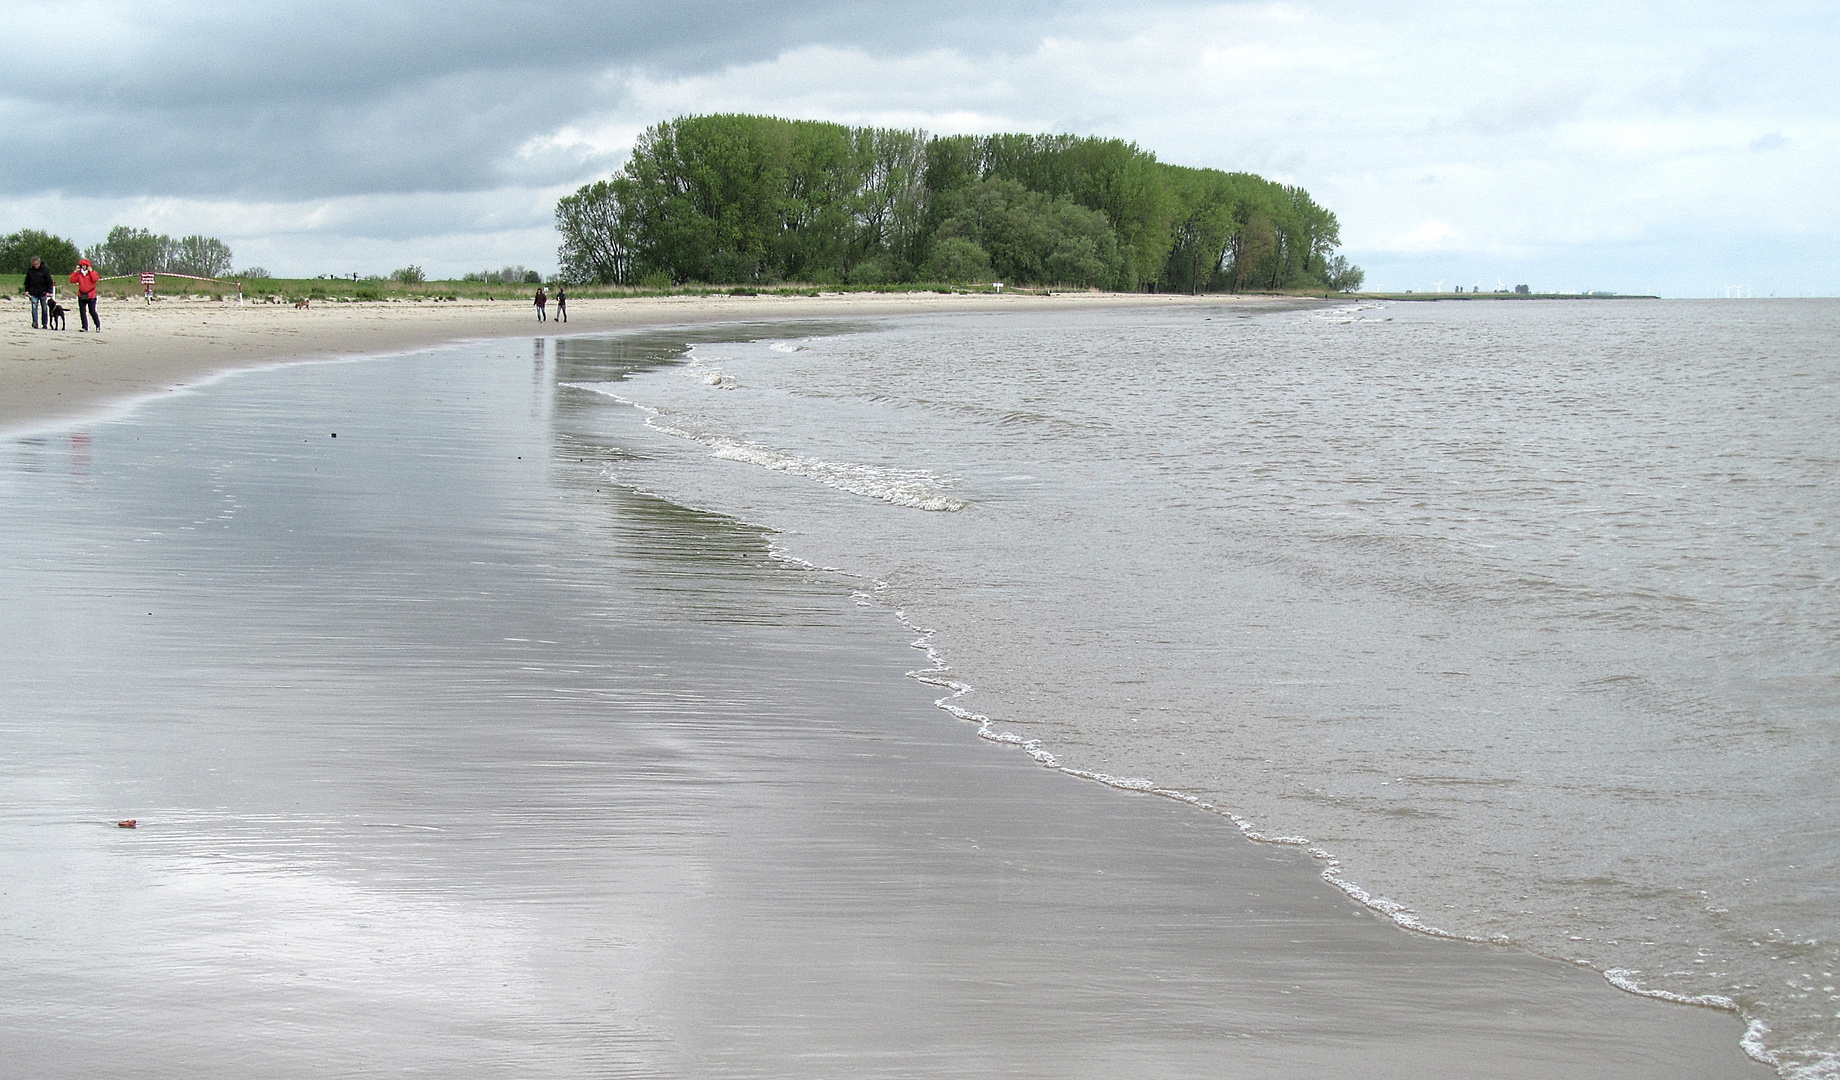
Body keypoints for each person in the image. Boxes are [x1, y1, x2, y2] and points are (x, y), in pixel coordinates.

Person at [69, 258, 101, 332]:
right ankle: (84, 327)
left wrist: (91, 271)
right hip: (81, 294)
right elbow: (72, 280)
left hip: (91, 295)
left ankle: (97, 325)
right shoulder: (79, 274)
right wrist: (75, 272)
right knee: (82, 311)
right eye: (82, 266)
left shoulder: (92, 273)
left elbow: (95, 279)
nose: (83, 267)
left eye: (84, 266)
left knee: (92, 311)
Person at [24, 256, 54, 329]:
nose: (36, 266)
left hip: (43, 292)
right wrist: (26, 290)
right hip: (33, 292)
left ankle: (44, 323)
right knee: (34, 308)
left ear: (39, 263)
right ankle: (35, 322)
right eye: (35, 264)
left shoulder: (45, 271)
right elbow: (27, 282)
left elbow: (49, 282)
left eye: (37, 264)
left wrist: (49, 291)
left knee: (44, 308)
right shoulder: (30, 271)